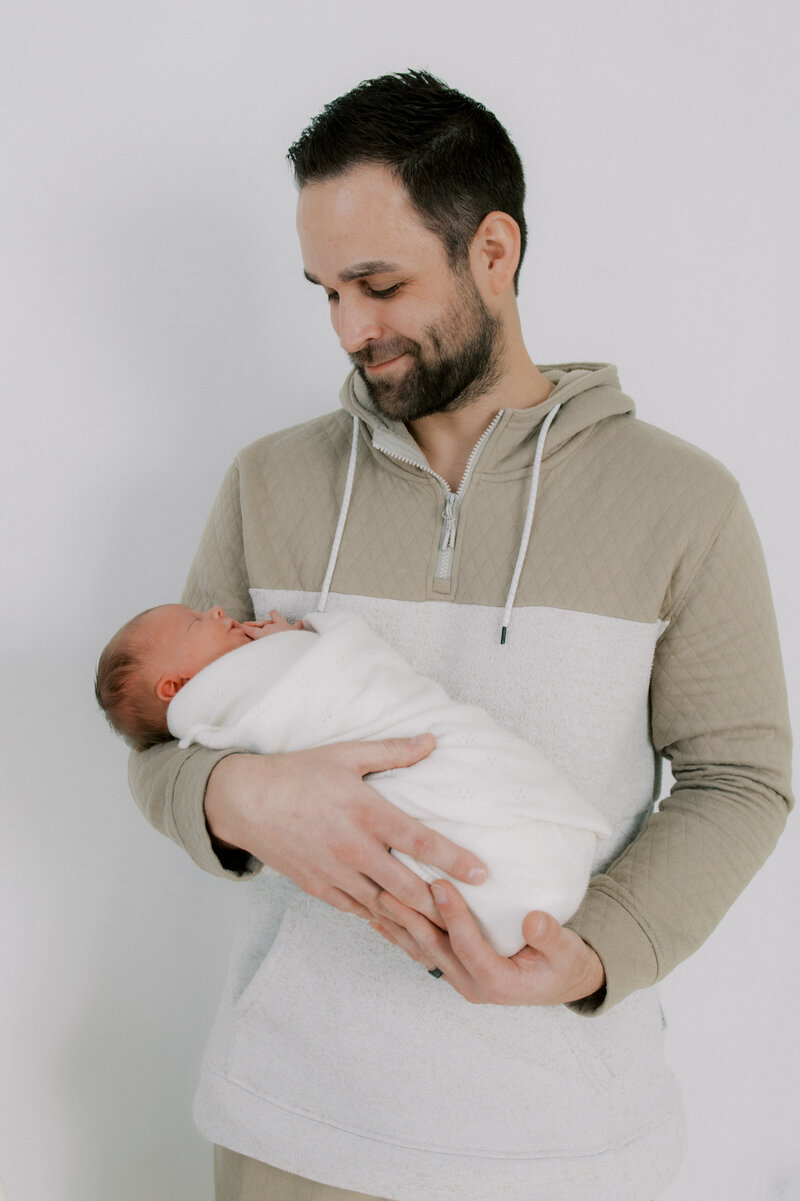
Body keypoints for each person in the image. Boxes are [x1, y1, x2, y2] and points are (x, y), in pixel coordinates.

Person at [128, 70, 793, 1201]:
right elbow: (163, 747)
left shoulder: (680, 500)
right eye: (325, 291)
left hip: (567, 1148)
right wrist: (231, 799)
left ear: (493, 250)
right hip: (291, 1133)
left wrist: (597, 950)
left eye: (379, 284)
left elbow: (742, 774)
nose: (350, 329)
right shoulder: (270, 482)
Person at [97, 602, 610, 957]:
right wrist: (239, 789)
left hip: (587, 994)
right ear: (176, 687)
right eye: (195, 622)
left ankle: (510, 883)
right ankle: (505, 886)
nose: (212, 610)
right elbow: (160, 767)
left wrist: (298, 647)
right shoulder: (214, 708)